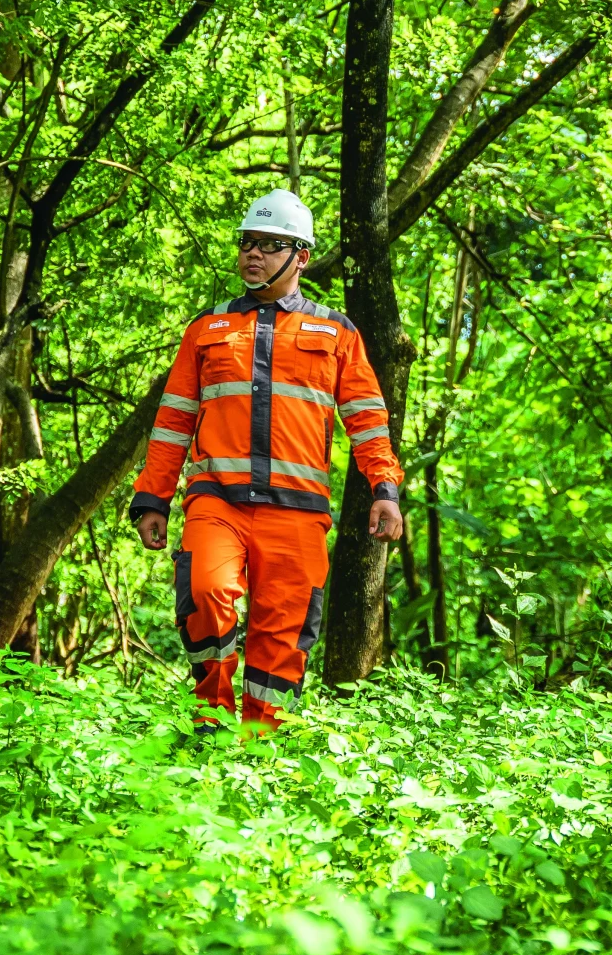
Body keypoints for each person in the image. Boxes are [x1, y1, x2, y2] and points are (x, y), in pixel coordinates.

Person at [128, 191, 405, 729]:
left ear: (300, 255)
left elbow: (368, 421)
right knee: (205, 594)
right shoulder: (206, 329)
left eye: (269, 245)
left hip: (297, 513)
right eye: (247, 243)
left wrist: (384, 490)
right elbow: (173, 420)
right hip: (217, 503)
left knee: (283, 633)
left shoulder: (337, 333)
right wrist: (152, 497)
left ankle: (262, 747)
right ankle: (210, 723)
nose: (252, 254)